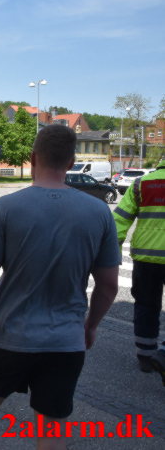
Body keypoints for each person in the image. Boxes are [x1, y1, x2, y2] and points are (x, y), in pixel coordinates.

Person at [0, 125, 119, 450]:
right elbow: (108, 285)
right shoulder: (98, 212)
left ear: (33, 157)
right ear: (72, 162)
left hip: (10, 338)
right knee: (51, 428)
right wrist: (90, 327)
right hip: (65, 341)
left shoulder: (8, 207)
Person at [112, 158, 165, 382]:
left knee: (145, 304)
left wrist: (112, 253)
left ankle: (146, 355)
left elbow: (120, 220)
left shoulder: (141, 184)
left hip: (146, 256)